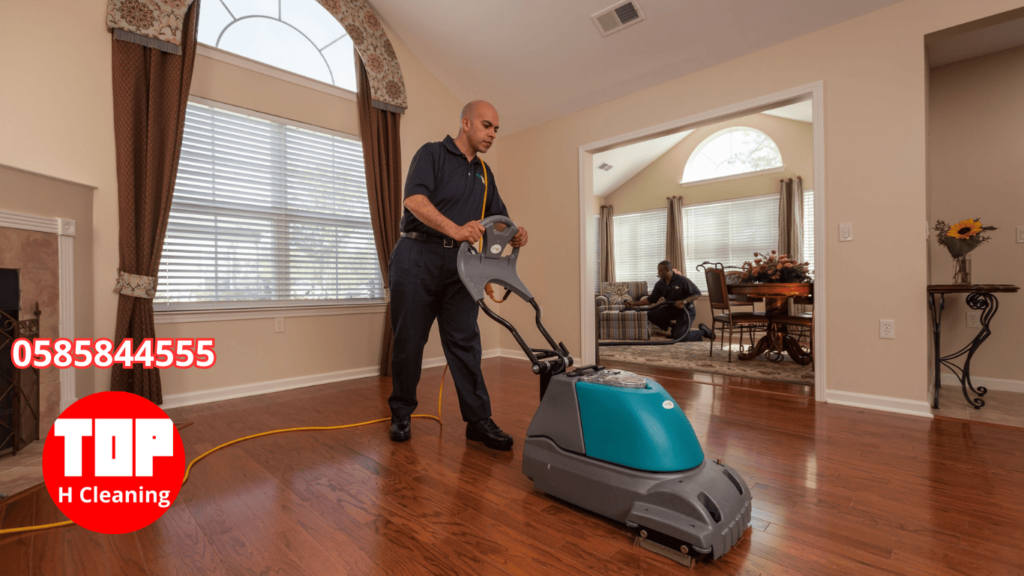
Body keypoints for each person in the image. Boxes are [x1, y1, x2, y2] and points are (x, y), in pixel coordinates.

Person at [388, 100, 528, 451]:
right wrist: (455, 229)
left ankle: (478, 421)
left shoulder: (484, 173)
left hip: (461, 265)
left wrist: (515, 234)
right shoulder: (432, 154)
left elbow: (498, 219)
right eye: (486, 125)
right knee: (409, 340)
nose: (492, 134)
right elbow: (414, 201)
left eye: (496, 129)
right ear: (466, 123)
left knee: (466, 341)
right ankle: (401, 413)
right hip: (417, 257)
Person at [624, 261, 714, 342]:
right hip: (671, 309)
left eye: (660, 271)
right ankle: (674, 327)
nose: (658, 273)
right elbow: (650, 300)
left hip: (686, 311)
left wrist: (683, 302)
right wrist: (633, 304)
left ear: (667, 270)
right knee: (651, 314)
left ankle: (704, 332)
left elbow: (697, 294)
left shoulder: (682, 280)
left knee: (679, 337)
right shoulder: (660, 284)